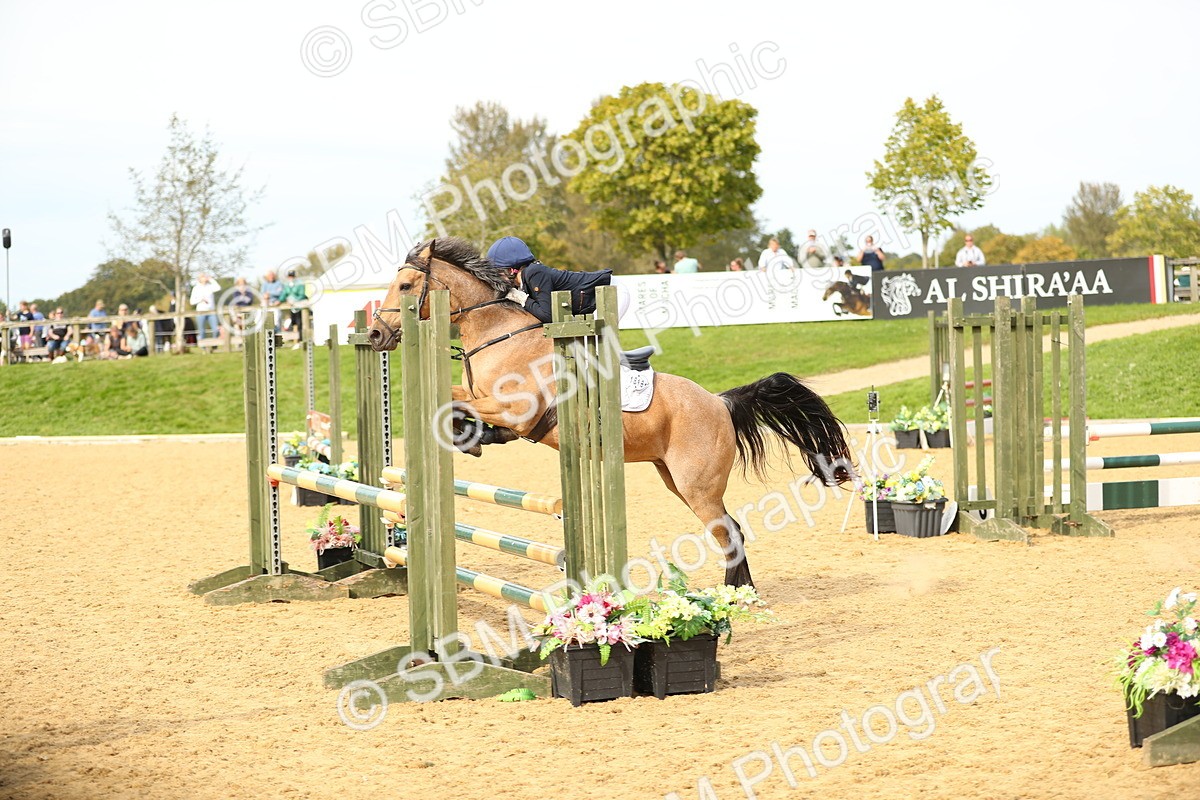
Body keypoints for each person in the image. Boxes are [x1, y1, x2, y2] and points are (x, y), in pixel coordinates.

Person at [487, 236, 614, 324]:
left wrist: (523, 299)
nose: (497, 278)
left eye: (498, 272)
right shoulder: (526, 280)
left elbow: (547, 316)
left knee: (598, 345)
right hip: (596, 299)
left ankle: (624, 363)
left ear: (511, 270)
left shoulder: (533, 273)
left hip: (610, 291)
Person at [190, 273, 221, 340]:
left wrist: (211, 279)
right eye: (203, 277)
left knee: (216, 330)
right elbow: (192, 302)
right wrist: (200, 300)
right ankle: (204, 348)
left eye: (205, 276)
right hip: (200, 312)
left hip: (211, 311)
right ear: (199, 279)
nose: (205, 278)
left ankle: (214, 344)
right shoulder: (196, 288)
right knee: (202, 332)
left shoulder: (210, 286)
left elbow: (218, 288)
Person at [279, 270, 308, 342]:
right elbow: (284, 294)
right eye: (289, 276)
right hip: (292, 307)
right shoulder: (287, 285)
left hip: (299, 306)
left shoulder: (300, 284)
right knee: (294, 322)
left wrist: (294, 301)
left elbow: (302, 295)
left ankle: (302, 339)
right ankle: (296, 340)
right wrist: (279, 300)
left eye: (292, 276)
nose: (291, 277)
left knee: (300, 322)